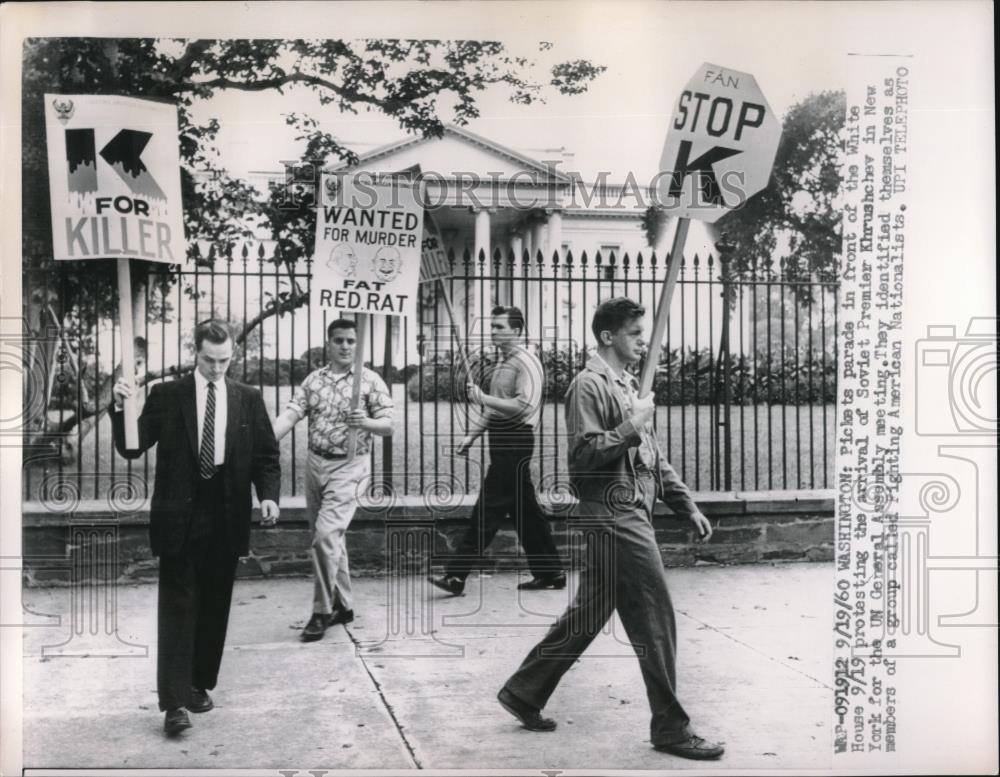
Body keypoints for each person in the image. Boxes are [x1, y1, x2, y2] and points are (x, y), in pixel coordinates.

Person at [496, 297, 725, 761]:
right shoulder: (587, 385)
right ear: (608, 336)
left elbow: (652, 459)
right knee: (654, 616)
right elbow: (582, 457)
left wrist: (686, 505)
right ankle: (671, 728)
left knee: (588, 613)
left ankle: (524, 691)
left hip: (630, 512)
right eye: (636, 334)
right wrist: (632, 424)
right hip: (613, 516)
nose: (645, 341)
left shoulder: (626, 384)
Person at [110, 320, 280, 737]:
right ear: (195, 353)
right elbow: (133, 446)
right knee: (178, 603)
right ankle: (173, 703)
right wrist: (121, 408)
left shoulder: (248, 398)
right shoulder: (168, 395)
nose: (217, 368)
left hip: (227, 508)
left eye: (225, 360)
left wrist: (269, 495)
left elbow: (266, 455)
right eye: (209, 359)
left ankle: (199, 682)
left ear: (233, 356)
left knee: (215, 602)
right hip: (180, 511)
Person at [428, 306, 565, 596]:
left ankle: (456, 575)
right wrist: (472, 436)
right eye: (492, 326)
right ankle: (552, 571)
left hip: (516, 440)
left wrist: (482, 396)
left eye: (500, 327)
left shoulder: (526, 362)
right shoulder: (503, 361)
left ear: (517, 331)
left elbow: (524, 405)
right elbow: (495, 408)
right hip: (500, 439)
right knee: (525, 511)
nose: (494, 331)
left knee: (488, 508)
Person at [272, 318, 393, 642]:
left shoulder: (369, 381)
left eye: (351, 341)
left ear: (358, 344)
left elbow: (388, 425)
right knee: (329, 540)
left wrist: (365, 421)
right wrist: (265, 439)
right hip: (316, 465)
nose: (345, 346)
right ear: (329, 343)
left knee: (325, 536)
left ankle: (321, 611)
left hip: (351, 466)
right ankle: (345, 605)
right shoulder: (314, 380)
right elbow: (292, 413)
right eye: (339, 340)